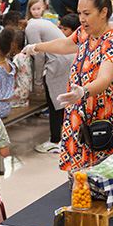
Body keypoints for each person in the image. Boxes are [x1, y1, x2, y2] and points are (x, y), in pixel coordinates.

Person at [22, 0, 113, 171]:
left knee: (101, 171)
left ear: (103, 12)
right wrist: (36, 47)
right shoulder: (85, 33)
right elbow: (65, 45)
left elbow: (104, 79)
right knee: (79, 172)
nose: (82, 19)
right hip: (79, 111)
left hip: (101, 116)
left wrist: (83, 91)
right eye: (80, 13)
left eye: (87, 14)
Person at [26, 12, 75, 154]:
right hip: (68, 58)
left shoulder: (31, 29)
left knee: (55, 103)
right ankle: (66, 136)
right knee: (64, 101)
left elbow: (39, 54)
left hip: (58, 63)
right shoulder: (41, 22)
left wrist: (37, 80)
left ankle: (55, 141)